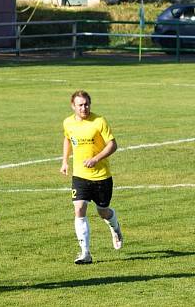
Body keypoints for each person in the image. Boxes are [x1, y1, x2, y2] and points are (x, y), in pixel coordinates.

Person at [60, 90, 123, 264]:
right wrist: (65, 161)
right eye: (80, 105)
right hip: (80, 175)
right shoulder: (68, 123)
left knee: (103, 212)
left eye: (86, 104)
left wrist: (96, 159)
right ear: (73, 106)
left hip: (101, 176)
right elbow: (67, 138)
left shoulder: (99, 121)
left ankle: (115, 226)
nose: (84, 108)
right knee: (79, 208)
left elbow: (113, 144)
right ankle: (85, 253)